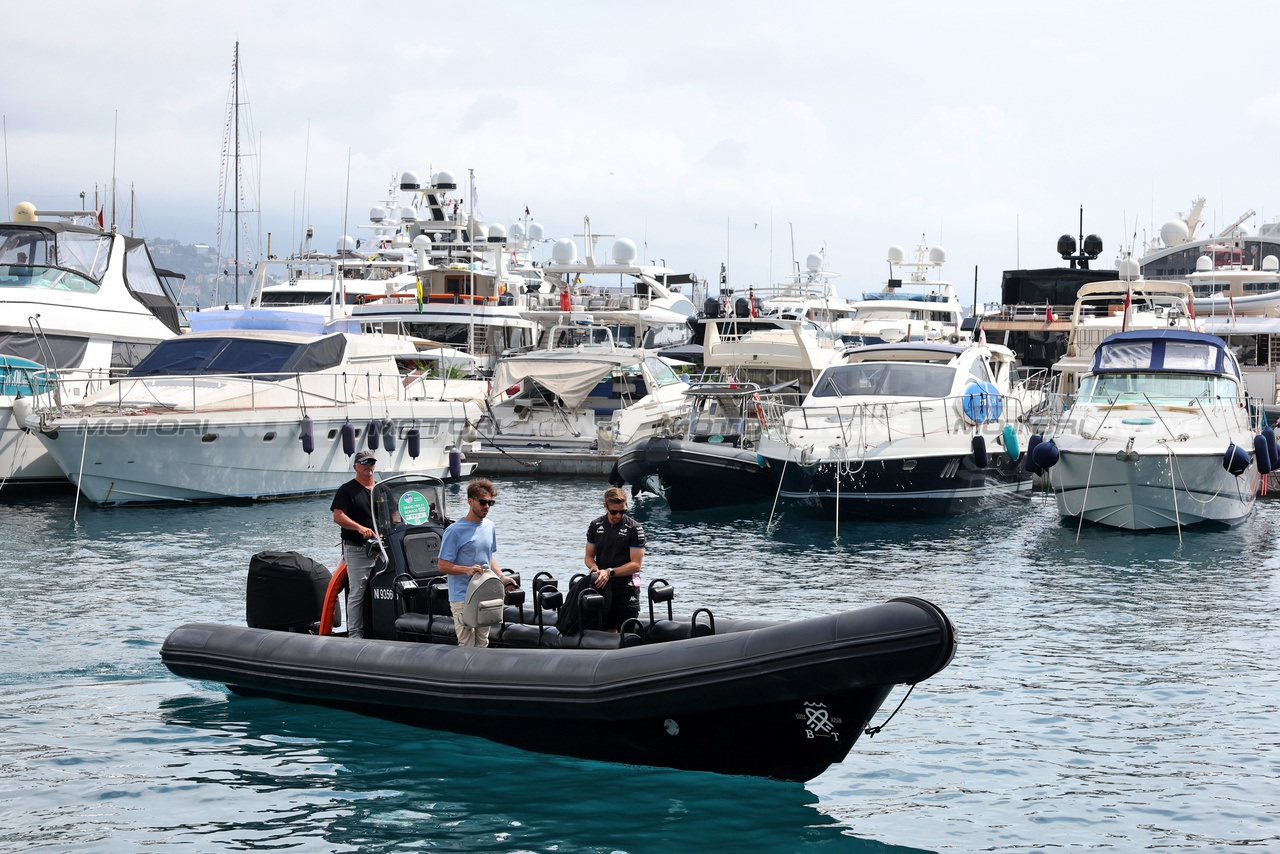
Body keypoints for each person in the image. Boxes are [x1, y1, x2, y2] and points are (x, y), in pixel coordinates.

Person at [438, 478, 516, 648]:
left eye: (490, 502)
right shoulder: (454, 531)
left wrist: (502, 577)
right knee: (466, 645)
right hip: (461, 597)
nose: (486, 506)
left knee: (483, 643)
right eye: (483, 502)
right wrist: (466, 570)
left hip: (484, 595)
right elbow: (442, 565)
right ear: (470, 501)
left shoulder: (489, 526)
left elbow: (489, 557)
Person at [330, 451, 379, 639]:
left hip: (382, 548)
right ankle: (355, 634)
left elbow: (392, 515)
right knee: (357, 590)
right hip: (357, 548)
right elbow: (338, 516)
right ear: (356, 466)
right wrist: (360, 528)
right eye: (364, 462)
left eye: (372, 462)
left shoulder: (382, 489)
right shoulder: (347, 490)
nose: (369, 465)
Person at [584, 487, 646, 632]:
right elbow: (588, 556)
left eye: (622, 511)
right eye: (614, 512)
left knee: (628, 632)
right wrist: (593, 567)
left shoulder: (634, 528)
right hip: (602, 587)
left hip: (626, 588)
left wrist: (609, 572)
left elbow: (636, 565)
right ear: (606, 507)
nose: (618, 515)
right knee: (606, 630)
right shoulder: (595, 526)